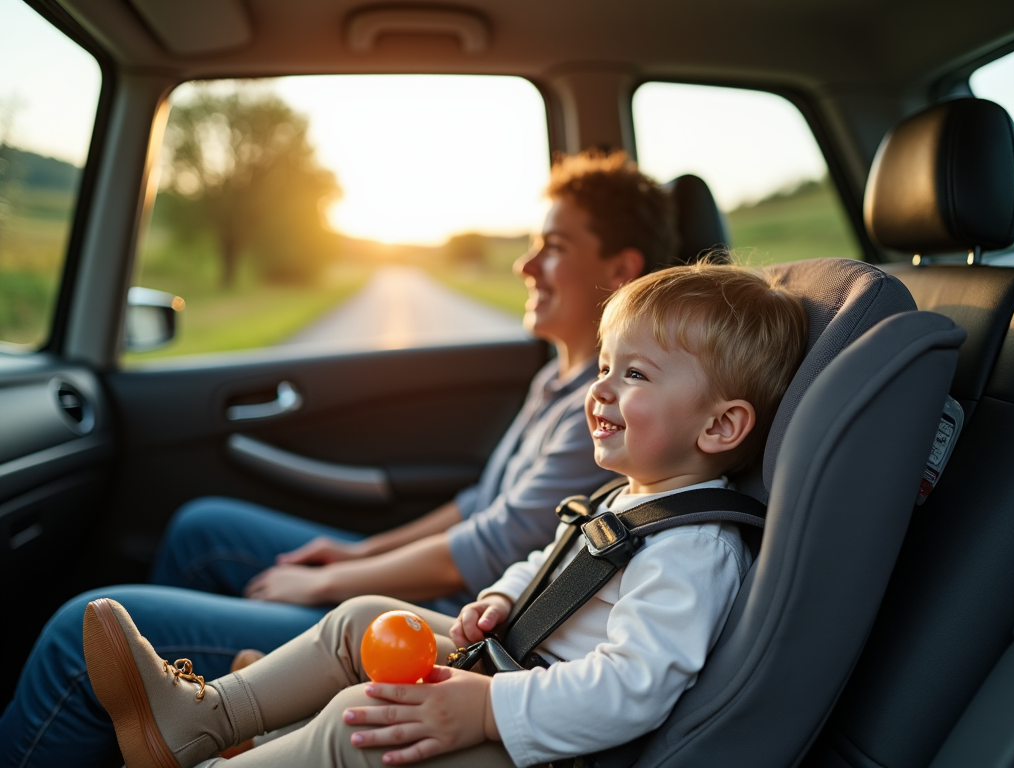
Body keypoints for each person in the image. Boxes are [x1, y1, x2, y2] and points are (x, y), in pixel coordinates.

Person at [0, 151, 676, 768]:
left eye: (552, 248)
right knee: (203, 526)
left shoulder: (613, 421)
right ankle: (221, 711)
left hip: (454, 616)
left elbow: (495, 543)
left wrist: (329, 585)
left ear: (620, 269)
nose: (525, 266)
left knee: (73, 640)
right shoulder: (560, 382)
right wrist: (352, 557)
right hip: (459, 603)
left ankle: (234, 713)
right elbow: (480, 506)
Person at [81, 262, 808, 768]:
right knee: (361, 620)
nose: (600, 389)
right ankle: (203, 721)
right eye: (605, 367)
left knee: (360, 722)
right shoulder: (633, 497)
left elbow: (632, 688)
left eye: (636, 374)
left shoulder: (694, 550)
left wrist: (489, 712)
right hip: (509, 666)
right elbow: (550, 563)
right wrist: (501, 597)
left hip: (548, 745)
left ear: (719, 428)